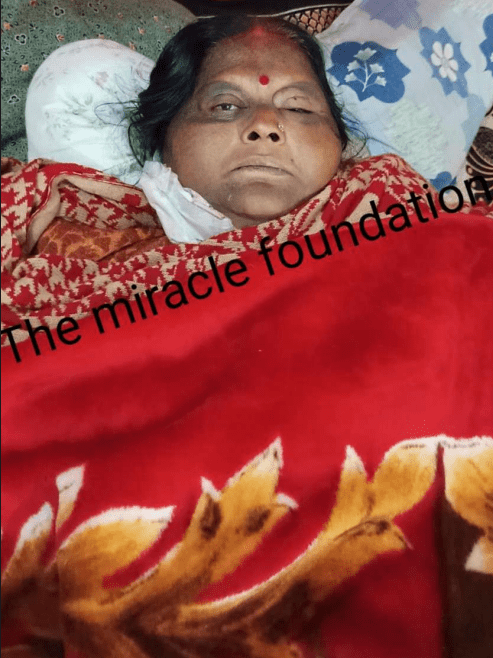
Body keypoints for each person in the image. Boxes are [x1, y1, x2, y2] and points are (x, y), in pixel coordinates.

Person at [128, 15, 351, 232]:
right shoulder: (116, 242)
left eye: (297, 107)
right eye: (226, 106)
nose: (264, 126)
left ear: (339, 139)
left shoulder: (372, 210)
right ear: (164, 132)